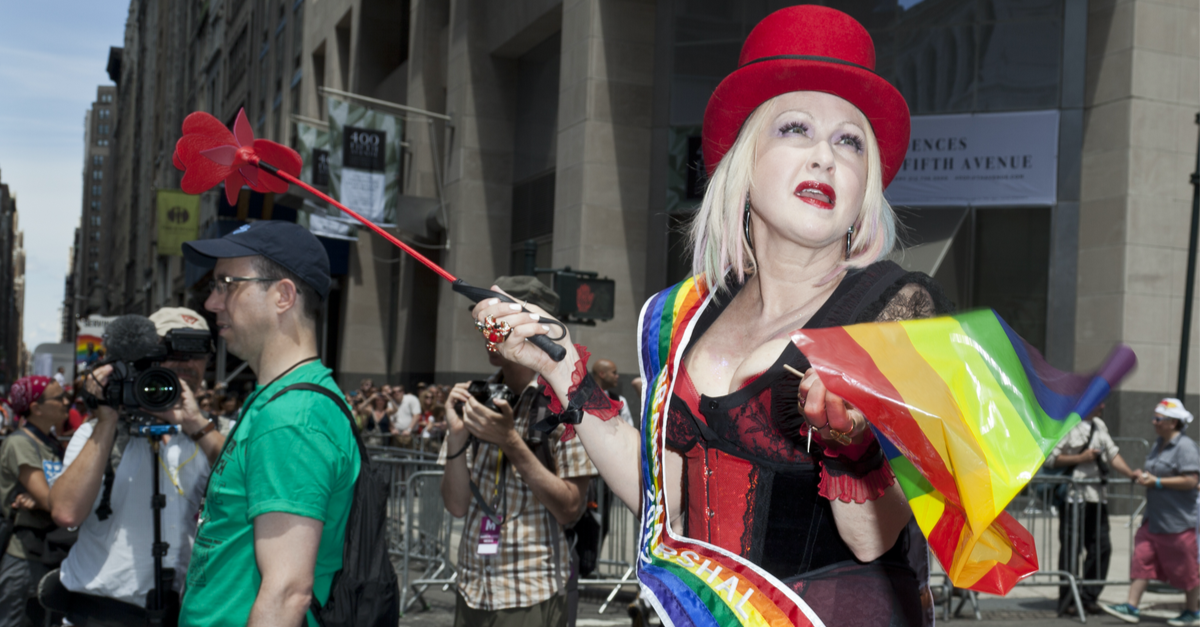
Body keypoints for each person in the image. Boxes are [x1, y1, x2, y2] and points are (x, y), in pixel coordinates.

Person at [474, 7, 953, 626]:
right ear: (743, 166)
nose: (825, 158)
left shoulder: (898, 308)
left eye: (849, 141)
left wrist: (847, 439)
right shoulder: (678, 315)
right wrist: (557, 364)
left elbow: (870, 537)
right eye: (796, 128)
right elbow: (661, 501)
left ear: (867, 189)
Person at [179, 220, 359, 626]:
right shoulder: (278, 402)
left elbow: (285, 594)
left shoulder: (292, 418)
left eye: (227, 283)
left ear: (282, 296)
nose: (212, 302)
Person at [42, 307, 221, 625]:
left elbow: (256, 489)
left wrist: (195, 424)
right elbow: (66, 512)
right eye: (172, 349)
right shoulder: (97, 433)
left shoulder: (218, 434)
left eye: (197, 351)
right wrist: (107, 419)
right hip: (100, 615)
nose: (186, 362)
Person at [440, 275, 598, 627]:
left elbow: (571, 508)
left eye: (497, 320)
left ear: (533, 327)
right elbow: (455, 505)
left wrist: (511, 442)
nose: (486, 330)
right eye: (484, 321)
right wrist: (455, 436)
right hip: (472, 589)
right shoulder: (477, 396)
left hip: (531, 593)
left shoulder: (568, 405)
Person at [1102, 399, 1200, 626]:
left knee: (1186, 569)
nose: (1153, 422)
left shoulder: (1185, 447)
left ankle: (1192, 611)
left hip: (1178, 522)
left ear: (1173, 422)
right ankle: (1131, 606)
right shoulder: (1158, 444)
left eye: (1159, 418)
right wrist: (1143, 476)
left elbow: (1191, 480)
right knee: (1141, 560)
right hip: (1153, 519)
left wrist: (1157, 482)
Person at [1045, 403, 1138, 616]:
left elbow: (1113, 454)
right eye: (1100, 400)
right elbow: (1050, 458)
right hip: (1073, 497)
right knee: (1071, 549)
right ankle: (1068, 599)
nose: (1104, 405)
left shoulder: (1099, 425)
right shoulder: (1068, 426)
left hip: (1097, 498)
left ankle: (1088, 596)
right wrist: (1080, 458)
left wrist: (1131, 474)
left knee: (1101, 547)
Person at [0, 376, 69, 627]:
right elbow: (53, 501)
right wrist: (46, 498)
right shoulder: (20, 443)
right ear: (36, 408)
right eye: (58, 397)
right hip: (23, 555)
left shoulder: (50, 444)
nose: (66, 402)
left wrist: (45, 498)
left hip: (47, 552)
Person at [591, 359, 634, 428]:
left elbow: (628, 427)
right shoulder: (582, 399)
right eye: (614, 373)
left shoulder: (620, 400)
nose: (617, 376)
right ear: (602, 374)